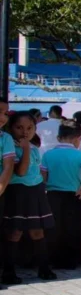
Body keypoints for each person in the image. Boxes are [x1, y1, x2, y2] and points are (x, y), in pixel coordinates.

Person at [3, 111, 55, 280]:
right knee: (15, 232)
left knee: (38, 232)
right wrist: (25, 148)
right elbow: (22, 171)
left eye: (30, 128)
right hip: (18, 191)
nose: (25, 132)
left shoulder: (34, 148)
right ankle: (9, 271)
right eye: (19, 127)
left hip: (36, 191)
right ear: (11, 128)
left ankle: (44, 268)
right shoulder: (12, 146)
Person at [41, 120, 81, 270]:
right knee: (73, 228)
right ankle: (70, 261)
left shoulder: (48, 155)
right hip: (73, 195)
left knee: (53, 228)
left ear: (58, 137)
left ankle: (53, 259)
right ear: (78, 137)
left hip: (52, 195)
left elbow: (43, 176)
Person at [0, 99, 14, 284]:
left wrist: (1, 187)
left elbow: (8, 166)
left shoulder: (5, 138)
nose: (2, 117)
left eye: (5, 113)